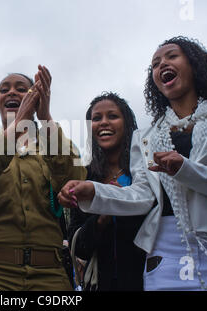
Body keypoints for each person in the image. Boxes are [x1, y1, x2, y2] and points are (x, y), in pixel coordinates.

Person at [58, 23, 207, 291]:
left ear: (195, 66)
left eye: (171, 56)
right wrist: (93, 193)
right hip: (164, 260)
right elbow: (141, 196)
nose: (161, 64)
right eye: (155, 63)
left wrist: (185, 170)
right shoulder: (146, 137)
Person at [0, 65, 86, 290]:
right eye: (4, 90)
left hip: (49, 273)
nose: (12, 93)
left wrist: (45, 118)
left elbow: (76, 180)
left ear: (36, 100)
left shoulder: (52, 141)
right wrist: (17, 127)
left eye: (22, 89)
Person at [67, 92, 146, 291]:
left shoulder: (145, 171)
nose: (103, 123)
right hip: (100, 283)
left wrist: (123, 201)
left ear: (127, 124)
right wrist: (102, 217)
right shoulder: (84, 177)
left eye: (112, 116)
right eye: (96, 118)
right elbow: (78, 247)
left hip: (147, 279)